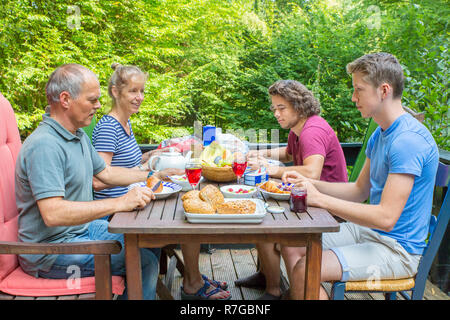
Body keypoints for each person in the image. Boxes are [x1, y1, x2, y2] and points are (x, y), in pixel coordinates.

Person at [281, 52, 439, 300]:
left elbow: (386, 217)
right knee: (291, 247)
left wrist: (319, 199)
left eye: (359, 89)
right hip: (369, 232)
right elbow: (358, 191)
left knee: (305, 270)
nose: (353, 97)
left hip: (397, 249)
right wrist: (310, 183)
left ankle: (304, 289)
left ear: (384, 90)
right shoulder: (381, 134)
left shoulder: (408, 140)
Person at [15, 64, 161, 300]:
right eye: (92, 100)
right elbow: (53, 213)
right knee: (143, 262)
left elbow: (107, 173)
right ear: (65, 99)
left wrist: (153, 176)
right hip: (50, 252)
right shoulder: (44, 145)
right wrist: (119, 203)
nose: (98, 105)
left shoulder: (77, 135)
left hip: (81, 232)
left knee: (148, 239)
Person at [92, 63, 230, 300]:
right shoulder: (108, 127)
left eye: (142, 91)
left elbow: (129, 163)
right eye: (133, 91)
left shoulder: (126, 123)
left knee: (189, 209)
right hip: (117, 211)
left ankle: (193, 278)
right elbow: (99, 180)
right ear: (115, 92)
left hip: (138, 200)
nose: (140, 97)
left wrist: (153, 156)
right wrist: (148, 172)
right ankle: (192, 283)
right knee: (188, 219)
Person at [236, 80, 348, 300]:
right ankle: (268, 276)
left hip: (328, 209)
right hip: (307, 199)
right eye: (274, 108)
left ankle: (282, 291)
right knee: (261, 214)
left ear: (298, 106)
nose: (276, 114)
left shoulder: (312, 131)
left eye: (281, 108)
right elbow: (288, 154)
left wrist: (268, 168)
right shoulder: (298, 128)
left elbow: (312, 172)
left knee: (267, 223)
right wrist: (261, 153)